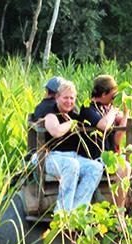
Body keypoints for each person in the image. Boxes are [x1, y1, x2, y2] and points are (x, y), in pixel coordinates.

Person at [33, 79, 104, 213]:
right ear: (57, 98)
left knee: (96, 167)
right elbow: (55, 131)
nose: (69, 101)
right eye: (65, 98)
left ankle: (78, 212)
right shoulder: (51, 112)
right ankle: (62, 213)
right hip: (50, 157)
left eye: (72, 98)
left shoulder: (73, 113)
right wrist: (70, 124)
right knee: (72, 165)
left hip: (73, 157)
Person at [79, 74, 132, 206]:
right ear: (103, 94)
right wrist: (114, 111)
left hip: (109, 156)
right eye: (112, 96)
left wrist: (125, 113)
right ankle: (119, 209)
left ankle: (120, 209)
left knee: (126, 166)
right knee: (124, 166)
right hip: (94, 158)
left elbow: (117, 140)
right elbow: (103, 125)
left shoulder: (107, 109)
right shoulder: (88, 108)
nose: (113, 99)